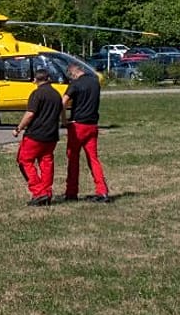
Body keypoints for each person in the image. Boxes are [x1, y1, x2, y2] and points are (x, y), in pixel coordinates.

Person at [62, 61, 111, 203]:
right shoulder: (95, 82)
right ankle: (102, 191)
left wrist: (64, 120)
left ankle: (71, 192)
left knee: (73, 159)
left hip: (78, 125)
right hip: (92, 125)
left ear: (72, 74)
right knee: (93, 159)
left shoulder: (75, 84)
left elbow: (63, 101)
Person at [12, 68, 62, 207]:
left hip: (35, 135)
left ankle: (39, 192)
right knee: (46, 163)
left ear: (35, 80)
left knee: (24, 161)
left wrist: (19, 128)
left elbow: (30, 114)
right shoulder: (56, 94)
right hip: (51, 135)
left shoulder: (37, 93)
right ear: (48, 79)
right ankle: (47, 192)